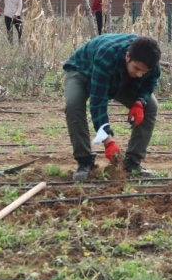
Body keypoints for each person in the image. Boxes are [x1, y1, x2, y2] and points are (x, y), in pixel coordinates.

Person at [63, 33, 161, 181]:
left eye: (144, 71)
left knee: (151, 106)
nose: (140, 74)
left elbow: (150, 83)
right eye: (136, 68)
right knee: (74, 105)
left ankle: (132, 163)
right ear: (128, 56)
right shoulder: (106, 56)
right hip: (82, 70)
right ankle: (84, 162)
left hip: (119, 77)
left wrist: (140, 102)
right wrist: (108, 141)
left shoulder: (150, 62)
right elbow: (98, 101)